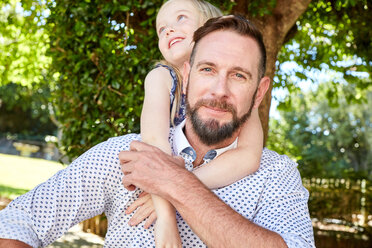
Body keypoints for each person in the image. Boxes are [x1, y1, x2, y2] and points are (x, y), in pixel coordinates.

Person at [0, 15, 315, 247]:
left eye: (238, 76)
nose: (220, 90)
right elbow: (18, 221)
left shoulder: (276, 174)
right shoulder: (127, 155)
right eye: (208, 69)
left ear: (259, 93)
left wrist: (173, 181)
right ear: (187, 76)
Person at [141, 1, 264, 246]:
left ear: (210, 27)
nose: (168, 29)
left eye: (181, 18)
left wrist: (179, 187)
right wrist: (165, 218)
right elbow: (153, 145)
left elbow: (249, 155)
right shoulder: (161, 77)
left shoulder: (239, 96)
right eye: (161, 28)